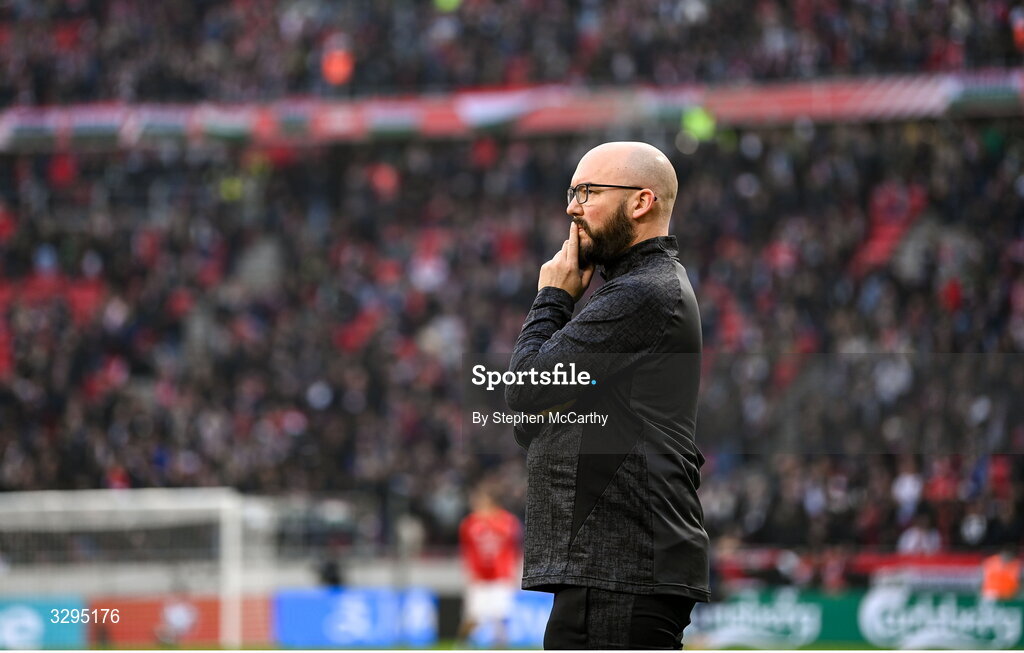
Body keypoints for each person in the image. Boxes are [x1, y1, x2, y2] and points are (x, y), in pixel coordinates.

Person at [505, 141, 709, 649]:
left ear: (640, 202)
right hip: (614, 567)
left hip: (621, 565)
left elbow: (526, 388)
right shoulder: (637, 289)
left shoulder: (644, 292)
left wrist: (551, 297)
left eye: (588, 192)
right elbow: (529, 422)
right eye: (571, 192)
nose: (571, 208)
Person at [456, 484, 523, 648]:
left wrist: (513, 571)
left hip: (501, 575)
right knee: (473, 617)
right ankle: (460, 645)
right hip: (480, 578)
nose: (475, 504)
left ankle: (500, 647)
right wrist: (470, 572)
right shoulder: (469, 524)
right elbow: (467, 551)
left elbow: (513, 546)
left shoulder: (508, 521)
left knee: (501, 616)